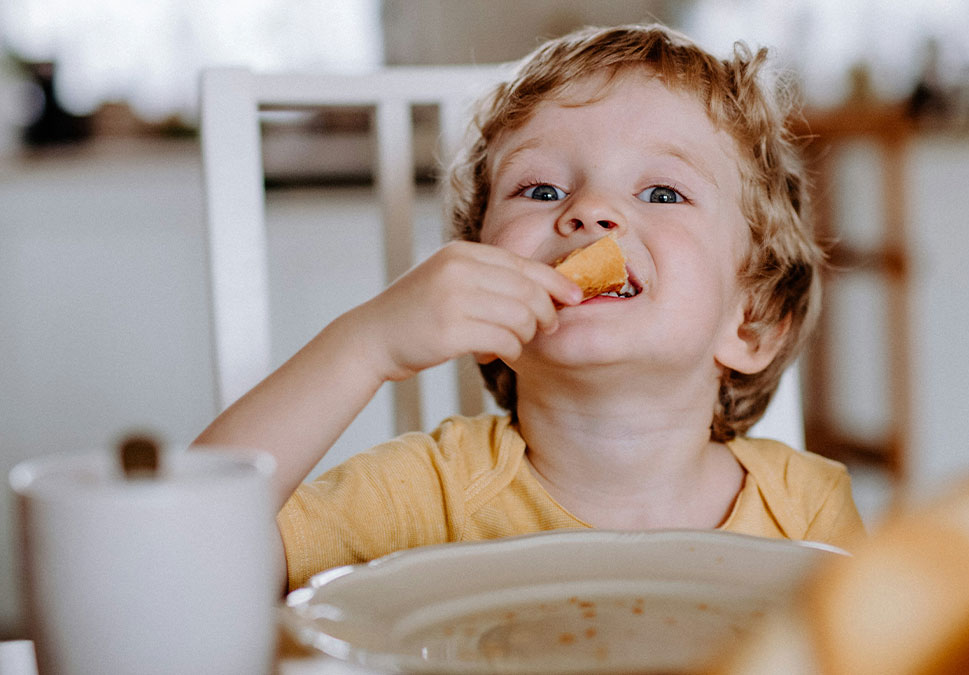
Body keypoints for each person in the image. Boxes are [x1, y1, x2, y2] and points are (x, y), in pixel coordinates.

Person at [194, 23, 866, 593]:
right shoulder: (426, 498)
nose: (589, 210)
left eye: (662, 193)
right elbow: (180, 548)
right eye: (539, 188)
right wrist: (366, 347)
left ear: (748, 322)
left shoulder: (805, 511)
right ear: (479, 302)